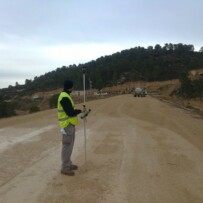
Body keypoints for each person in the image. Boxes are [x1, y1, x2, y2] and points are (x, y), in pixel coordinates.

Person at [57, 80, 82, 176]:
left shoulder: (65, 95)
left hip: (69, 124)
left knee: (69, 146)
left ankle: (68, 164)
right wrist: (79, 111)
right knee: (67, 146)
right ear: (71, 87)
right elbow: (70, 112)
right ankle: (65, 168)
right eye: (73, 87)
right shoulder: (64, 97)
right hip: (67, 124)